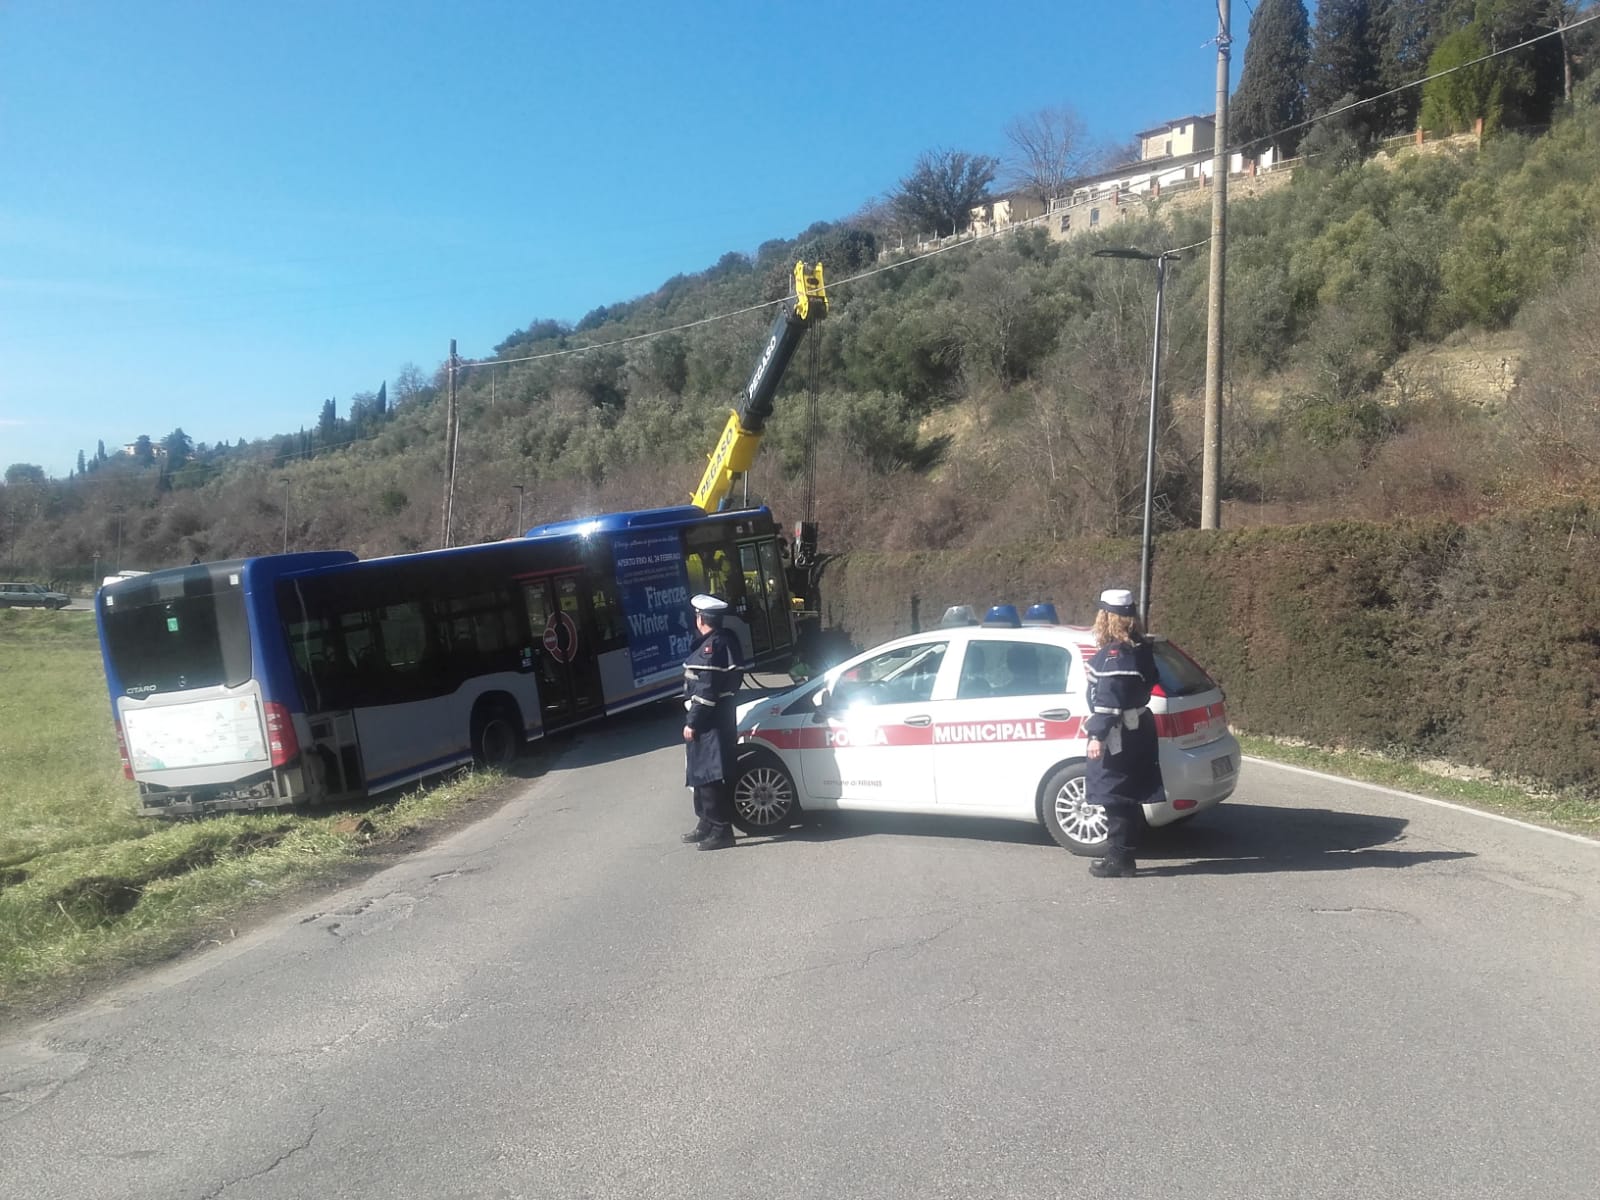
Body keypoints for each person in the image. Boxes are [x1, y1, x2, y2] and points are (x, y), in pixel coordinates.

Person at [1082, 588, 1165, 878]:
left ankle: (1119, 859)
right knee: (1127, 794)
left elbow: (1109, 700)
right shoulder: (1140, 647)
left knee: (1113, 795)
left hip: (1119, 734)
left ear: (1106, 617)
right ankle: (1123, 854)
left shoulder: (1116, 655)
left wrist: (1097, 736)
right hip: (1137, 728)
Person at [681, 592, 742, 851]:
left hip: (710, 722)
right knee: (700, 775)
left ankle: (721, 830)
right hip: (713, 720)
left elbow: (706, 692)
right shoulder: (720, 641)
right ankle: (706, 822)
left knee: (710, 777)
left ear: (701, 619)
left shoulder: (712, 646)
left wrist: (692, 722)